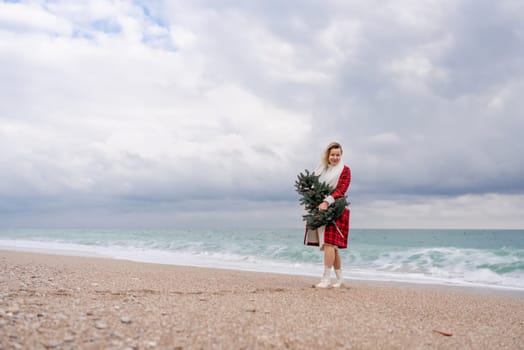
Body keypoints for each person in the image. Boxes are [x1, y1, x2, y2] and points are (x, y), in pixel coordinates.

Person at [304, 142, 351, 288]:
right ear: (328, 155)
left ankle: (326, 279)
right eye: (332, 155)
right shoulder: (320, 170)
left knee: (329, 244)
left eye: (338, 155)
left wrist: (327, 201)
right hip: (320, 210)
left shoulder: (345, 170)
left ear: (341, 155)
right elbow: (313, 187)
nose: (335, 158)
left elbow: (341, 189)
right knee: (332, 247)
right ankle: (340, 278)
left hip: (335, 210)